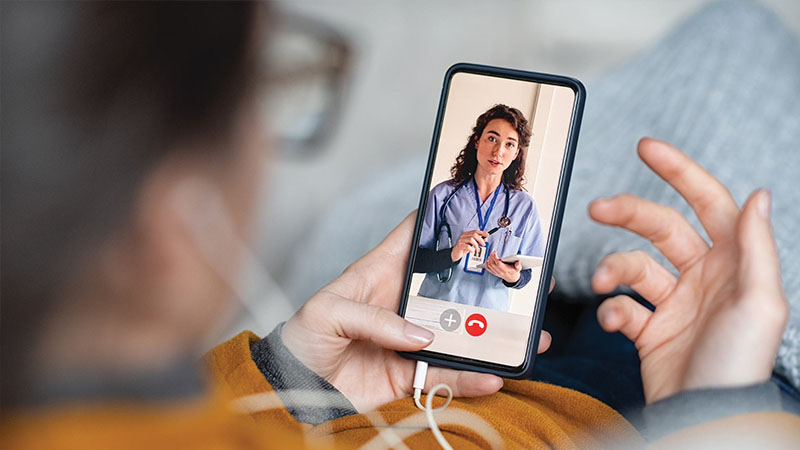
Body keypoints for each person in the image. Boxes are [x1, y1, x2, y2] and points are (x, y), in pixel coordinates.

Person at [3, 2, 799, 449]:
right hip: (641, 408)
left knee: (727, 54)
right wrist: (719, 414)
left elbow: (523, 258)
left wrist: (283, 379)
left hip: (452, 358)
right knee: (737, 46)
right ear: (170, 222)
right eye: (270, 94)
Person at [413, 104, 545, 312]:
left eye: (509, 144)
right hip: (436, 306)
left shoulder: (524, 207)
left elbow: (526, 275)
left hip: (487, 315)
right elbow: (414, 260)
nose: (498, 151)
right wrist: (452, 254)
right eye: (492, 138)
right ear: (477, 141)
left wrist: (512, 276)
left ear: (516, 153)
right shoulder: (443, 195)